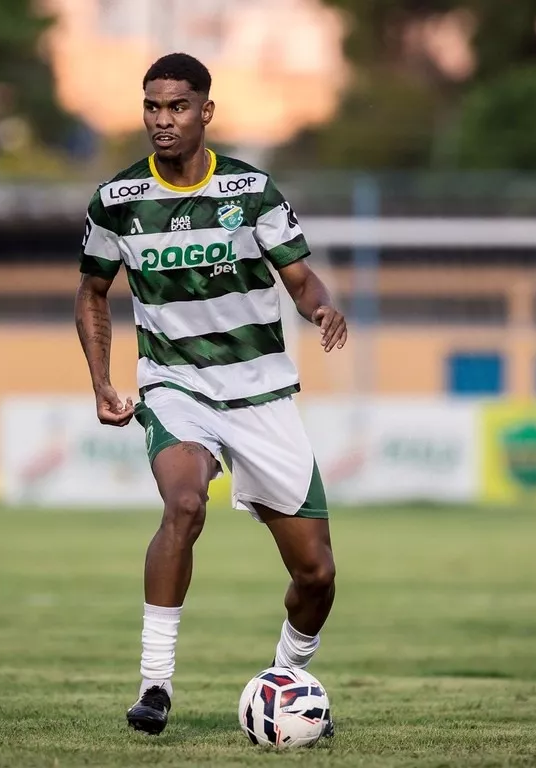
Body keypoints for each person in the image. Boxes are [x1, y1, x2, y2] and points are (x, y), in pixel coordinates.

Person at [75, 53, 347, 736]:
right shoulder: (117, 202)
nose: (162, 120)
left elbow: (301, 279)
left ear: (205, 112)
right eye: (152, 107)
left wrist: (320, 309)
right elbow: (91, 296)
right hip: (175, 386)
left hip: (260, 392)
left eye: (176, 107)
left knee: (316, 575)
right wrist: (104, 382)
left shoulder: (252, 191)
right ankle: (155, 685)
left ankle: (287, 679)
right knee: (185, 502)